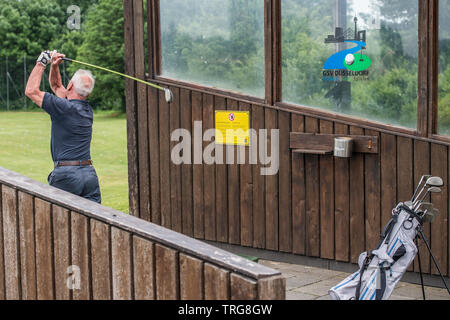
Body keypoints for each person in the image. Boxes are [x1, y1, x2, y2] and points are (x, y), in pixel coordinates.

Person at [25, 50, 101, 203]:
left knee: (59, 224)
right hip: (89, 175)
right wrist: (54, 67)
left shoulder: (64, 108)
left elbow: (31, 91)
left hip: (66, 176)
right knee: (93, 224)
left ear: (71, 84)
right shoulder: (86, 110)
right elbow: (56, 85)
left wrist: (41, 62)